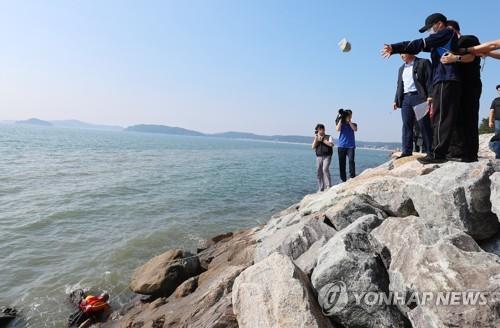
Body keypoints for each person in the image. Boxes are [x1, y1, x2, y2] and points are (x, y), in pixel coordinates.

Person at [382, 13, 461, 164]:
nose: (429, 32)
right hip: (437, 82)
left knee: (439, 118)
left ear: (438, 24)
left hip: (446, 78)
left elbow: (420, 43)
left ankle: (436, 153)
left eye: (430, 28)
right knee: (433, 119)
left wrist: (394, 47)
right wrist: (395, 49)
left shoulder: (446, 33)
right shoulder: (439, 41)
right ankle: (432, 151)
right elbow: (415, 47)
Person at [440, 20, 482, 162]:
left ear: (452, 29)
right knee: (456, 118)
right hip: (456, 86)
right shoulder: (448, 44)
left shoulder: (468, 39)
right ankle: (456, 152)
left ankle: (469, 154)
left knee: (469, 117)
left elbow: (472, 56)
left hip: (470, 84)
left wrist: (455, 58)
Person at [393, 53, 434, 158]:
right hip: (406, 99)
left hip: (419, 97)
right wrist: (396, 100)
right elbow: (399, 85)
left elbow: (429, 79)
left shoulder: (423, 63)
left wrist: (430, 95)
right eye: (400, 54)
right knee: (406, 125)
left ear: (411, 52)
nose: (401, 56)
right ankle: (406, 151)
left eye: (403, 53)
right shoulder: (401, 68)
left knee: (424, 125)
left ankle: (430, 151)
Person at [336, 109, 357, 182]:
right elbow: (337, 129)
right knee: (342, 163)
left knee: (351, 161)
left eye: (351, 115)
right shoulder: (341, 123)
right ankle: (343, 179)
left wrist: (349, 121)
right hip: (341, 146)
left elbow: (355, 129)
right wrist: (341, 119)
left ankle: (352, 176)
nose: (350, 116)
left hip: (350, 146)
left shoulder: (354, 124)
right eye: (349, 115)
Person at [312, 123, 334, 192]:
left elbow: (331, 144)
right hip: (319, 156)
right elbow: (313, 147)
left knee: (325, 169)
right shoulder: (316, 137)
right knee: (319, 172)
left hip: (327, 156)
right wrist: (316, 139)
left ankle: (328, 186)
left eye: (319, 130)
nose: (319, 132)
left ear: (323, 130)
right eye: (318, 130)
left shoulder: (329, 136)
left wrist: (323, 140)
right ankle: (321, 188)